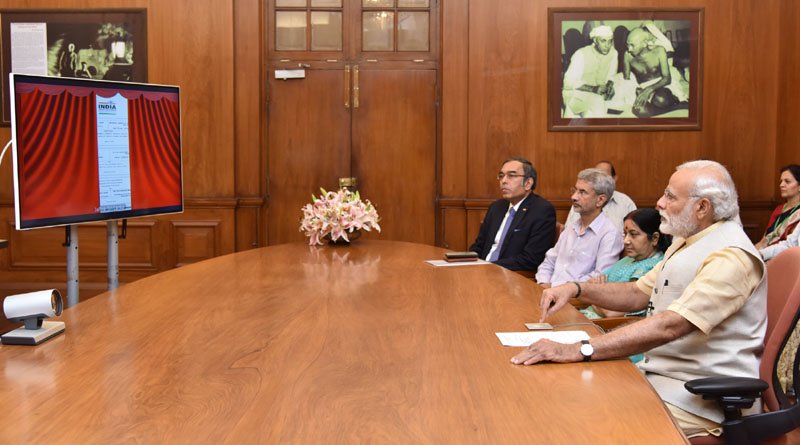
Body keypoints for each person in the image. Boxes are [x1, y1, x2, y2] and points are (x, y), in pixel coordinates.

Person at [513, 160, 767, 439]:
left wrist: (579, 349)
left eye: (670, 196)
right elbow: (636, 293)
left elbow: (671, 325)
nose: (659, 202)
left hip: (700, 398)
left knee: (584, 421)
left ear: (702, 207)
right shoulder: (688, 242)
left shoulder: (730, 255)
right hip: (661, 379)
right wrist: (576, 288)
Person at [534, 168, 623, 287]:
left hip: (574, 299)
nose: (574, 197)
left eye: (582, 192)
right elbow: (549, 262)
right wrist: (543, 283)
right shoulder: (571, 228)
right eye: (575, 190)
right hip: (547, 291)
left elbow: (599, 278)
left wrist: (555, 287)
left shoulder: (609, 234)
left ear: (600, 200)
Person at [468, 157, 556, 271]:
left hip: (511, 276)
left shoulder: (542, 210)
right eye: (501, 176)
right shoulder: (497, 207)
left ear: (528, 183)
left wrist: (489, 267)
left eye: (511, 175)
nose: (503, 181)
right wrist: (466, 261)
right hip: (482, 271)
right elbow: (479, 245)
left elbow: (530, 259)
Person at [580, 208, 670, 320]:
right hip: (584, 316)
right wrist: (596, 292)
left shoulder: (655, 268)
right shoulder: (627, 259)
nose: (626, 241)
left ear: (655, 238)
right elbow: (590, 286)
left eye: (633, 234)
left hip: (603, 327)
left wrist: (595, 294)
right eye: (625, 234)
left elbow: (611, 313)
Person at [620, 25, 688, 117]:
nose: (629, 49)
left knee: (660, 99)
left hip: (662, 84)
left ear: (644, 43)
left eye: (632, 45)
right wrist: (637, 91)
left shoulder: (659, 51)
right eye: (627, 44)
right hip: (643, 86)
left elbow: (667, 79)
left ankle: (676, 102)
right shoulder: (627, 55)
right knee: (639, 111)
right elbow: (627, 79)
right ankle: (676, 107)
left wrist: (648, 90)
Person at [562, 25, 618, 118]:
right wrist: (593, 89)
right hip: (575, 92)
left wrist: (610, 86)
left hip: (597, 93)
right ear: (595, 41)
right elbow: (568, 83)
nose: (607, 46)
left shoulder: (613, 53)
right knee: (592, 112)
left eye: (610, 41)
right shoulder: (581, 54)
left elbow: (611, 75)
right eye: (603, 41)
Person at [564, 160, 637, 232]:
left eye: (604, 176)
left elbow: (635, 233)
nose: (574, 197)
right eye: (595, 176)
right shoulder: (580, 203)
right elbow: (568, 231)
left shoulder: (626, 202)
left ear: (614, 179)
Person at [755, 164, 800, 261]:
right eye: (781, 181)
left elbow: (791, 245)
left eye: (787, 181)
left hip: (784, 259)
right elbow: (764, 240)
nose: (781, 185)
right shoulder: (779, 209)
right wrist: (754, 252)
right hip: (765, 253)